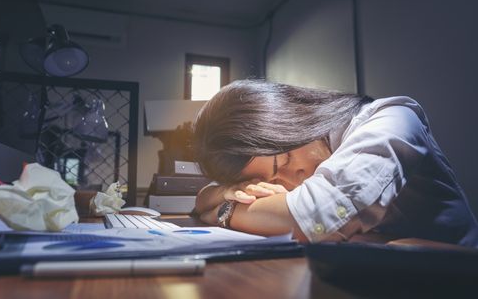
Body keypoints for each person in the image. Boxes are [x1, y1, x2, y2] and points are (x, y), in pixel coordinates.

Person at [192, 79, 478, 246]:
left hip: (453, 276)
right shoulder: (277, 161)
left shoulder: (392, 120)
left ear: (291, 119)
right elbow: (204, 195)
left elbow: (313, 218)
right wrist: (222, 193)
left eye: (285, 162)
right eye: (270, 182)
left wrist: (221, 213)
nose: (292, 182)